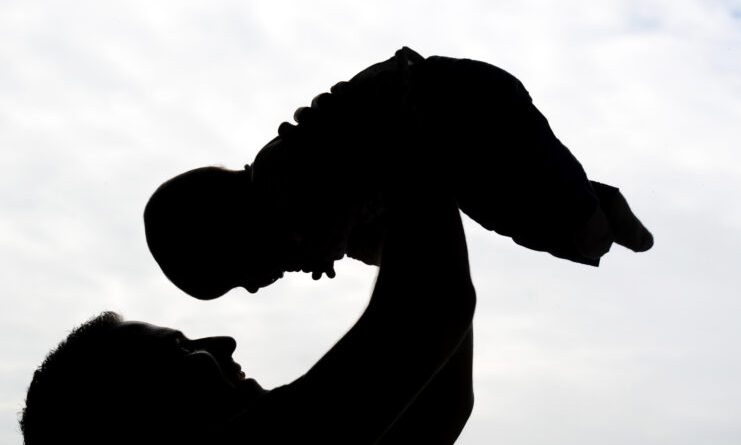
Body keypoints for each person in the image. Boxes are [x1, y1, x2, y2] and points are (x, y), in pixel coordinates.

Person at [21, 189, 477, 445]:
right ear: (132, 420)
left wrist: (392, 236)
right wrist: (403, 146)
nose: (225, 341)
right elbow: (433, 312)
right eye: (179, 349)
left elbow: (441, 398)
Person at [144, 47, 653, 300]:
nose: (255, 288)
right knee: (512, 210)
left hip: (455, 107)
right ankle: (596, 213)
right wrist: (349, 243)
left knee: (531, 186)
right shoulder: (300, 206)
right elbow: (383, 224)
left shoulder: (282, 173)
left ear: (229, 226)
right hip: (456, 146)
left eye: (238, 278)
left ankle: (589, 214)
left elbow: (358, 188)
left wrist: (332, 235)